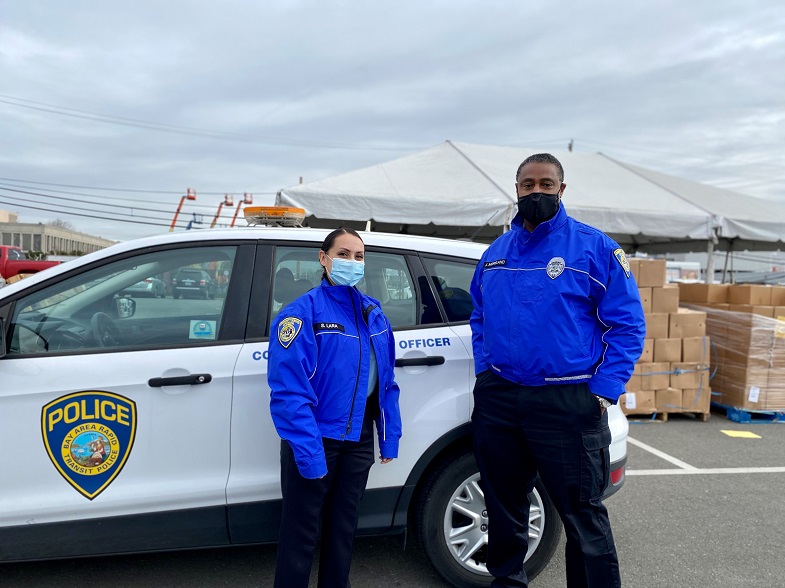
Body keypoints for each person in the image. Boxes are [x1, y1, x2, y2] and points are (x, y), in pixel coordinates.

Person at [469, 153, 645, 588]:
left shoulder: (594, 248)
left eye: (546, 184)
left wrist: (603, 390)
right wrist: (483, 371)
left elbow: (627, 324)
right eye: (528, 185)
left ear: (562, 190)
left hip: (566, 401)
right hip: (502, 400)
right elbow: (478, 315)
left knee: (582, 515)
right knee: (503, 507)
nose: (537, 192)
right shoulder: (495, 253)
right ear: (516, 189)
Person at [268, 227, 403, 588]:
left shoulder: (375, 315)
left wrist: (388, 439)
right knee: (300, 535)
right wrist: (310, 454)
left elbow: (386, 383)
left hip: (357, 442)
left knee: (342, 532)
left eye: (358, 257)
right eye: (343, 254)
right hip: (316, 441)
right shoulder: (302, 313)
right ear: (323, 257)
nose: (352, 263)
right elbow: (289, 393)